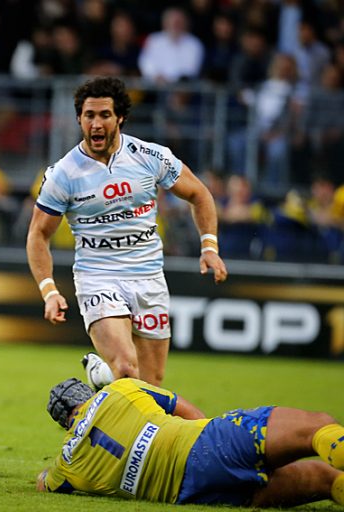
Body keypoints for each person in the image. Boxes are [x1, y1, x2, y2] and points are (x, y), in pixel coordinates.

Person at [25, 77, 227, 387]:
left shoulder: (150, 156)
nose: (96, 123)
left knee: (150, 384)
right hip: (98, 277)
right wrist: (49, 291)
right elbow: (39, 234)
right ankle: (112, 374)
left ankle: (102, 376)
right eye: (89, 115)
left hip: (148, 278)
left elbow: (199, 194)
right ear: (79, 118)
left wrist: (209, 247)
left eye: (104, 115)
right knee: (126, 367)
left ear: (120, 118)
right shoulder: (63, 174)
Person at [37, 375, 344, 508]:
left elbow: (43, 483)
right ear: (86, 393)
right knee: (317, 427)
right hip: (206, 444)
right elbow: (191, 413)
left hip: (197, 494)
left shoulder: (67, 466)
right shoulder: (119, 389)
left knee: (322, 481)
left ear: (62, 422)